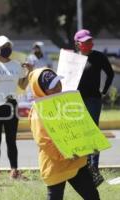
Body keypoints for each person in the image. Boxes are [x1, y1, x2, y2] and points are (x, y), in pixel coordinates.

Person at [29, 67, 100, 200]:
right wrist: (65, 154)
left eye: (58, 82)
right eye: (52, 86)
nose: (57, 87)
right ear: (41, 90)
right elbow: (44, 141)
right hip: (55, 166)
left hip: (76, 162)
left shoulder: (67, 101)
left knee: (92, 196)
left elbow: (80, 127)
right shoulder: (38, 111)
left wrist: (88, 143)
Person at [0, 35, 32, 180]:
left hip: (11, 105)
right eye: (3, 47)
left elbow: (22, 85)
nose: (7, 49)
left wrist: (29, 72)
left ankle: (14, 170)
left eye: (8, 46)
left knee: (11, 140)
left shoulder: (16, 64)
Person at [74, 29, 114, 175]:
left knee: (93, 132)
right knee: (79, 132)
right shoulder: (72, 58)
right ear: (77, 43)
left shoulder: (99, 57)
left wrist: (103, 91)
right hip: (75, 101)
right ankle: (82, 166)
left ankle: (94, 167)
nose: (88, 44)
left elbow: (110, 73)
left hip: (93, 100)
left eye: (90, 41)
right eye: (85, 42)